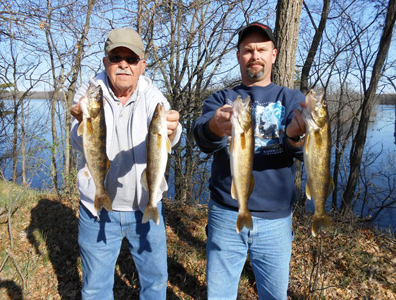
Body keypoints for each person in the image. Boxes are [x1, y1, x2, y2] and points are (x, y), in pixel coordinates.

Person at [193, 22, 306, 299]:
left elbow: (303, 151)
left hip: (276, 219)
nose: (254, 55)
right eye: (248, 50)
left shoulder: (291, 98)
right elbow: (202, 137)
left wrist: (294, 137)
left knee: (274, 295)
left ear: (274, 54)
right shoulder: (222, 98)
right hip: (226, 214)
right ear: (238, 56)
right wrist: (214, 128)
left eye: (261, 49)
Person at [70, 27, 182, 299]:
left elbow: (171, 135)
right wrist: (80, 120)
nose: (123, 64)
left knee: (155, 284)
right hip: (96, 210)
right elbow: (77, 141)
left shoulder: (154, 97)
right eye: (116, 57)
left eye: (131, 59)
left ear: (141, 64)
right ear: (106, 62)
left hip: (145, 205)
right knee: (95, 288)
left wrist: (173, 130)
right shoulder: (89, 96)